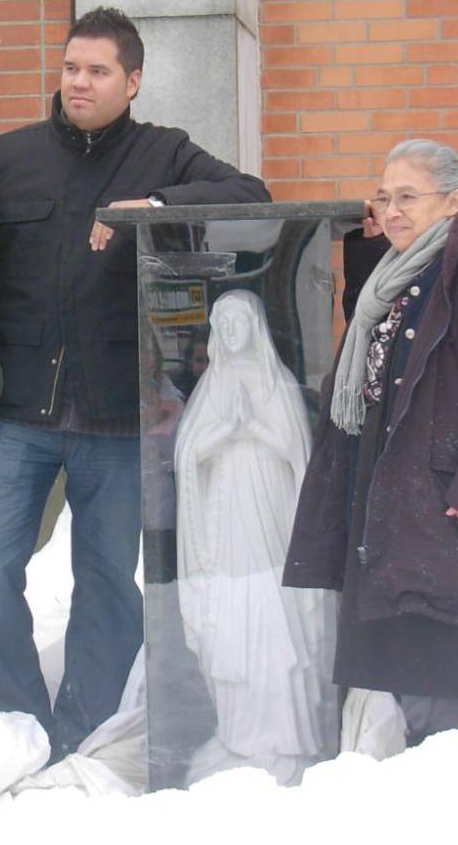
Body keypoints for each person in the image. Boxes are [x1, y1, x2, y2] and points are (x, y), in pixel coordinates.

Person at [0, 6, 272, 759]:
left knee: (106, 579)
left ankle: (86, 727)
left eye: (98, 70)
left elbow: (251, 195)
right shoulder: (9, 158)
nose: (80, 81)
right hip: (19, 407)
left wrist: (158, 208)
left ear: (132, 81)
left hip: (116, 411)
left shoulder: (164, 155)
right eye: (71, 66)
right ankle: (19, 721)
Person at [282, 138, 458, 747]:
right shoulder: (400, 276)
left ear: (453, 201)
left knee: (447, 690)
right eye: (384, 196)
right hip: (403, 517)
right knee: (412, 681)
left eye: (408, 195)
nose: (392, 209)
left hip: (452, 520)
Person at [172, 290, 337, 783]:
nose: (228, 330)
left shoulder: (276, 382)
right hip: (225, 517)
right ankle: (238, 737)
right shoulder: (211, 385)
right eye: (220, 322)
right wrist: (224, 430)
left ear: (255, 325)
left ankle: (286, 739)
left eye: (237, 320)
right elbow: (187, 455)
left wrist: (255, 429)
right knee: (232, 619)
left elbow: (296, 450)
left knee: (276, 616)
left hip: (269, 510)